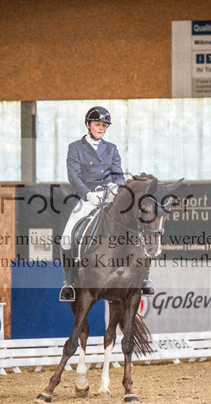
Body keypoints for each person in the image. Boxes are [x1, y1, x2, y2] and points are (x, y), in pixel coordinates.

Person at [59, 106, 154, 301]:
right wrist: (87, 194)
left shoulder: (111, 148)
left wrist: (116, 187)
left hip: (111, 195)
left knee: (138, 228)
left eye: (104, 125)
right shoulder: (75, 148)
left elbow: (118, 174)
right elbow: (73, 175)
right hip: (88, 197)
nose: (101, 128)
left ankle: (145, 278)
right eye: (97, 124)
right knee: (67, 237)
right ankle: (69, 282)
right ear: (88, 125)